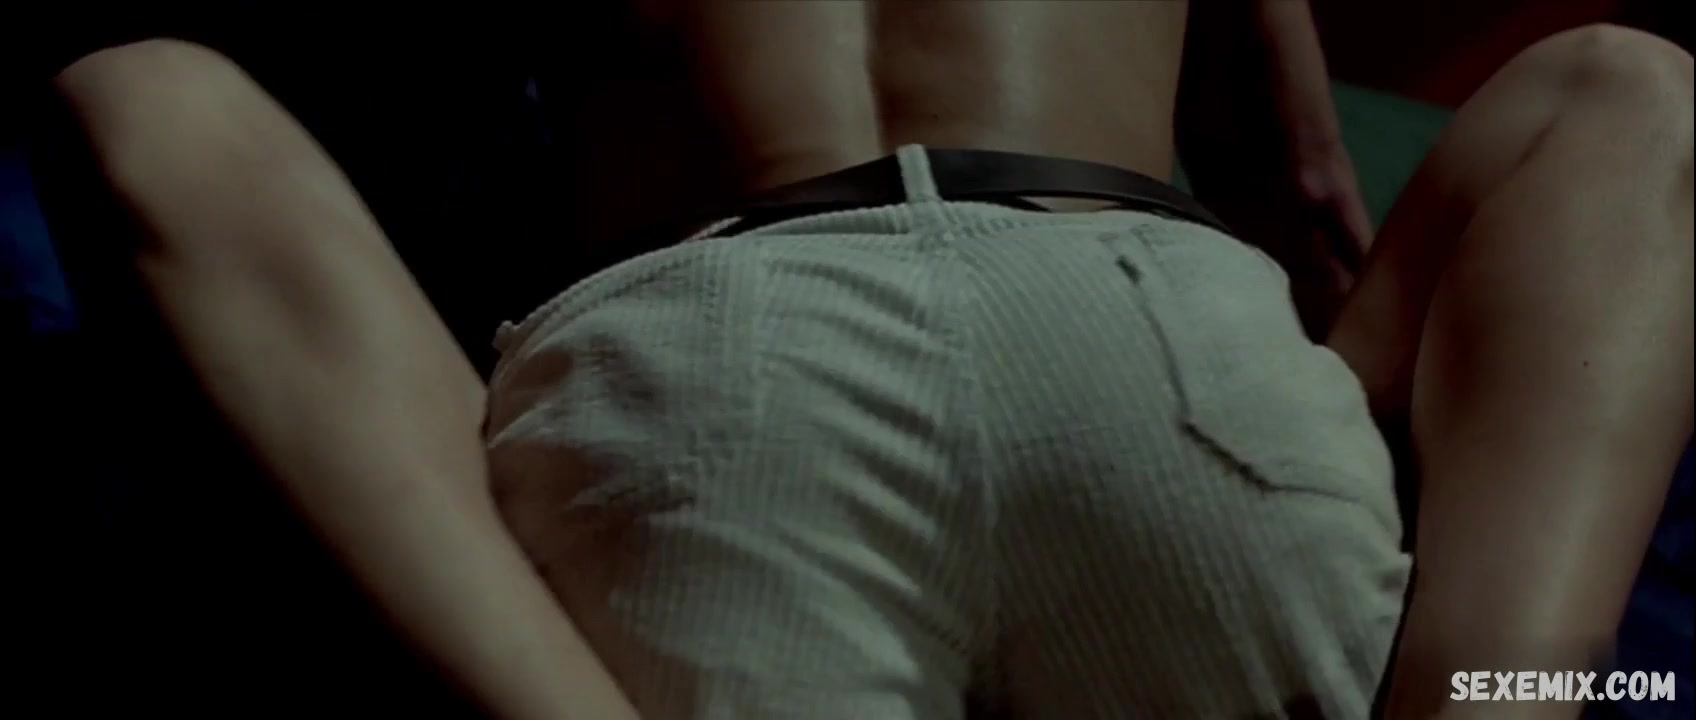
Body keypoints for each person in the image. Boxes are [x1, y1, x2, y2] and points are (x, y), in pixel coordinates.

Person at [44, 2, 1691, 718]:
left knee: (146, 93)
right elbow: (1310, 189)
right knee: (1634, 92)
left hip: (711, 389)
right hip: (1161, 343)